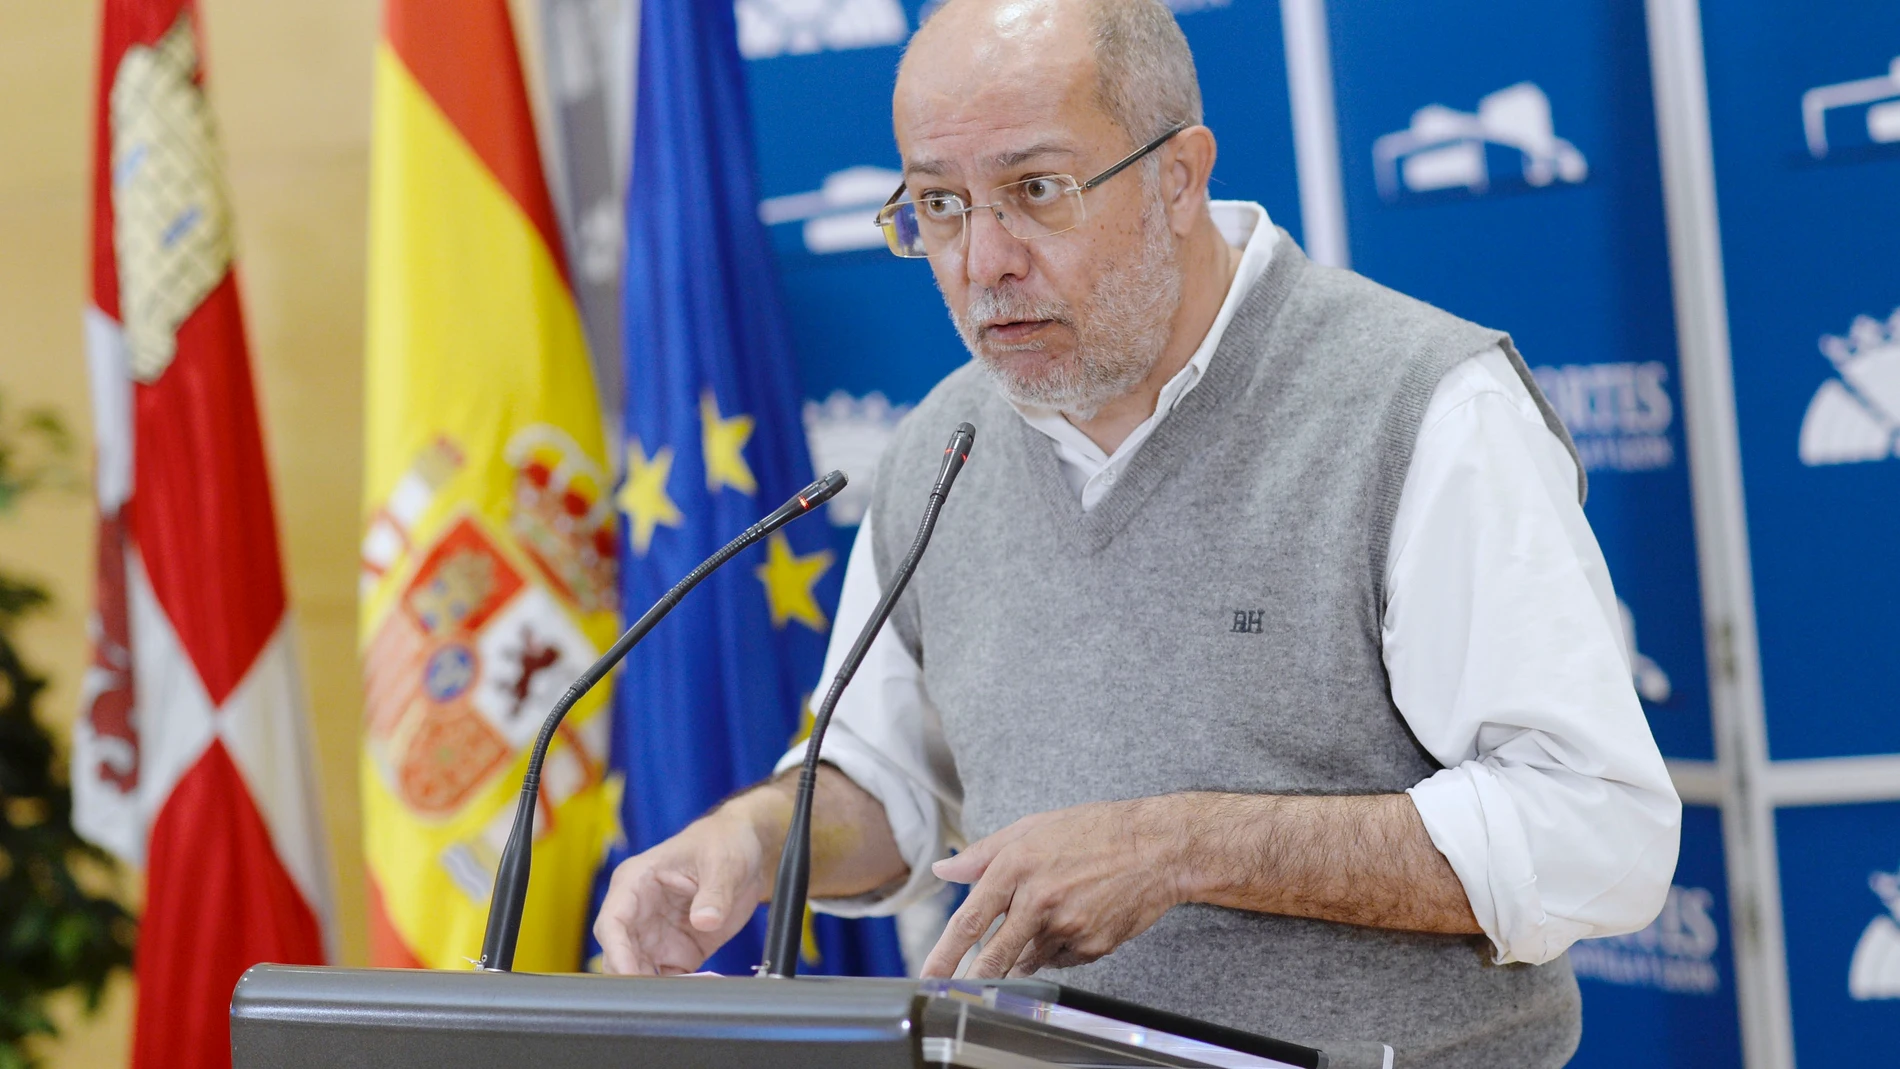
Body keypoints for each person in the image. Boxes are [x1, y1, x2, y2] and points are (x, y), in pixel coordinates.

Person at [594, 0, 1681, 1064]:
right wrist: (747, 841)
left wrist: (1182, 847)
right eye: (938, 205)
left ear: (1178, 175)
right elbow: (888, 788)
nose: (983, 262)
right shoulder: (943, 441)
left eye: (1035, 190)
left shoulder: (1421, 405)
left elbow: (1594, 830)